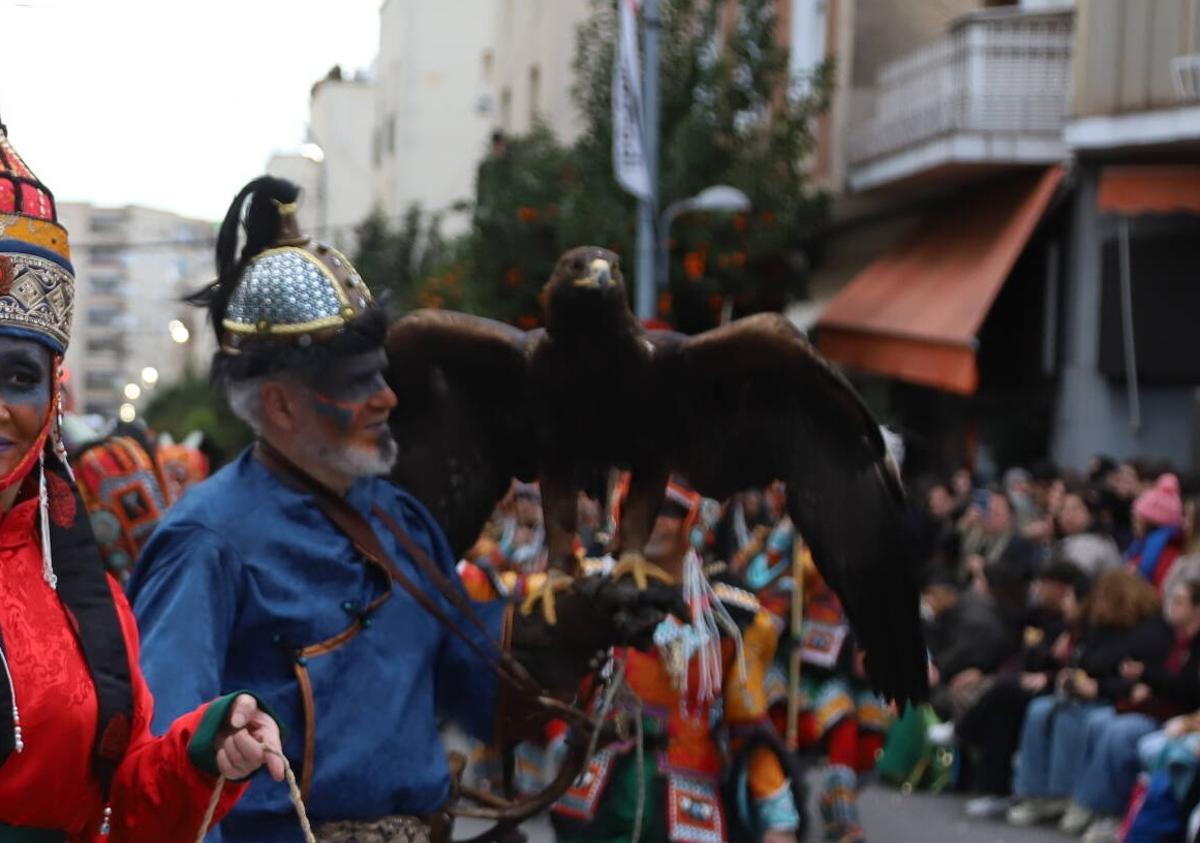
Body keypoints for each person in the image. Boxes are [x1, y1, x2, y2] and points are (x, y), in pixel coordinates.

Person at [128, 176, 678, 843]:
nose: (388, 398)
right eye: (357, 381)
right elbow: (161, 779)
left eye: (380, 372)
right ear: (279, 404)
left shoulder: (400, 520)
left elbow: (477, 697)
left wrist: (578, 622)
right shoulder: (205, 540)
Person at [0, 121, 283, 840]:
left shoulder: (90, 601)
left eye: (19, 376)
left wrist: (202, 752)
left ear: (53, 396)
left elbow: (119, 808)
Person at [551, 478, 802, 843]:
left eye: (670, 511)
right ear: (621, 510)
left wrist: (777, 820)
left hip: (688, 805)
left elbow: (746, 727)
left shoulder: (730, 615)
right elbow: (556, 692)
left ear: (694, 520)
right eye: (641, 505)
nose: (653, 519)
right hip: (597, 802)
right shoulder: (590, 590)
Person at [1006, 569, 1171, 829]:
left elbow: (1133, 677)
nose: (1097, 604)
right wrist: (1070, 674)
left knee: (1075, 717)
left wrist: (1098, 686)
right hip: (1094, 691)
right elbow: (1089, 661)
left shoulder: (1150, 633)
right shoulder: (1103, 627)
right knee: (1040, 709)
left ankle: (1070, 795)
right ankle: (1036, 792)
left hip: (1118, 698)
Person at [1067, 579, 1200, 843]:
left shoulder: (1194, 645)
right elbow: (1128, 669)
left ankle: (1116, 813)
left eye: (1180, 601)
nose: (1171, 606)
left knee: (1122, 733)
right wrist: (1140, 682)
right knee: (1097, 721)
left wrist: (1148, 678)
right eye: (1171, 599)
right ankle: (1087, 803)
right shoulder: (1166, 636)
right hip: (1153, 705)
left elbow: (1189, 689)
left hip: (1174, 712)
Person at [1055, 491, 1123, 581]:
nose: (1068, 515)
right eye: (1063, 509)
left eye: (1075, 509)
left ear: (1090, 514)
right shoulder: (1067, 541)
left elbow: (1073, 581)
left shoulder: (1093, 542)